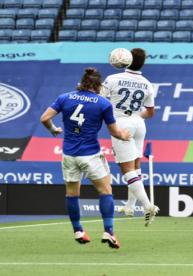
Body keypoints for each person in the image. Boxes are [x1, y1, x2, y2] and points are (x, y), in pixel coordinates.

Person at [40, 68, 131, 249]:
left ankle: (78, 230)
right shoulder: (103, 103)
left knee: (72, 193)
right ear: (98, 85)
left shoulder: (65, 98)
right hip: (90, 154)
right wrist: (124, 135)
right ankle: (109, 232)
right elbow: (114, 131)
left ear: (81, 82)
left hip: (69, 154)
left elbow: (44, 118)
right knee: (105, 191)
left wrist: (53, 130)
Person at [101, 48, 159, 226]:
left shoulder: (112, 79)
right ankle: (129, 207)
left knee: (127, 169)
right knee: (135, 166)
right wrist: (135, 117)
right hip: (139, 123)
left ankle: (148, 205)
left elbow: (100, 101)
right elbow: (150, 112)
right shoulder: (147, 83)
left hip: (120, 123)